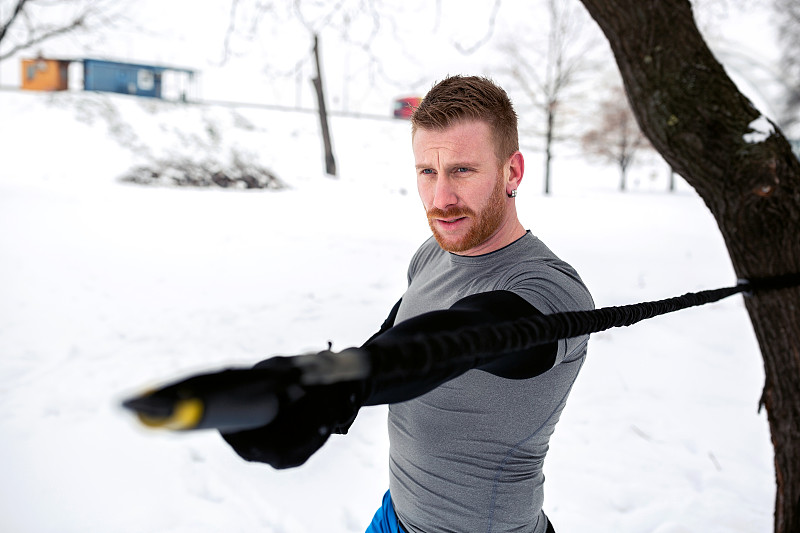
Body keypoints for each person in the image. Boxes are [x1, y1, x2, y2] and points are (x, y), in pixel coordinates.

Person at [221, 75, 594, 533]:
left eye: (462, 170)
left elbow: (467, 336)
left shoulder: (551, 291)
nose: (441, 199)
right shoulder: (434, 252)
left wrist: (344, 381)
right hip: (395, 515)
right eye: (427, 172)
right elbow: (399, 332)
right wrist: (331, 389)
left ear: (511, 172)